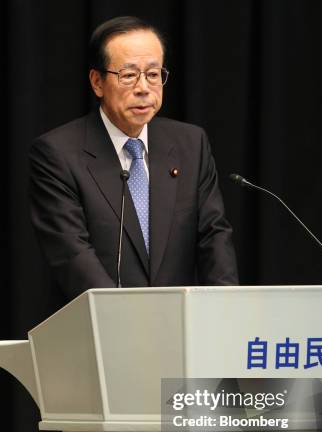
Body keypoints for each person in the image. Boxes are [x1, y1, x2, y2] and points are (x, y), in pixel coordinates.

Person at [29, 16, 238, 303]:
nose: (143, 88)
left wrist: (225, 308)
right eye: (128, 75)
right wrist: (128, 322)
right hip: (102, 331)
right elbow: (72, 254)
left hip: (180, 328)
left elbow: (213, 237)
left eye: (153, 74)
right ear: (97, 82)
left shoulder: (191, 144)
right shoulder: (58, 154)